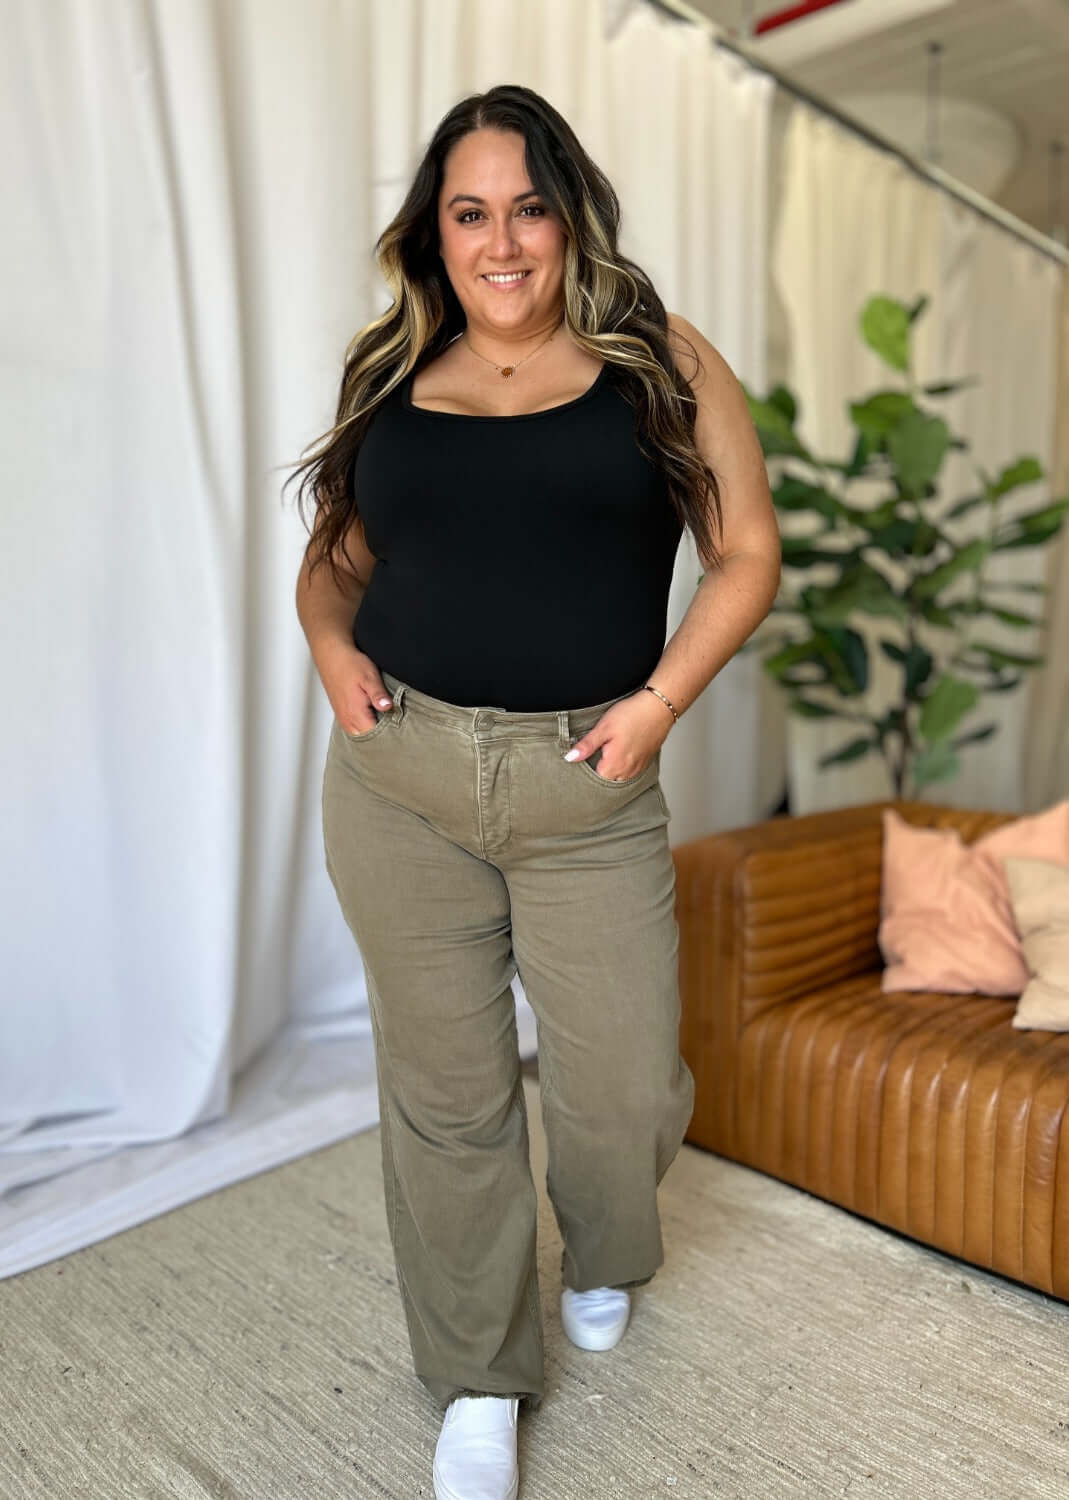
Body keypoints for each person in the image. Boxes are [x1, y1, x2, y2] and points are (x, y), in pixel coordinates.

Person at [288, 83, 780, 1500]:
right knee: (444, 1099)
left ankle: (609, 1247)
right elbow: (338, 556)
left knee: (619, 1087)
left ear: (568, 219)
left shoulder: (661, 361)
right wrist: (330, 650)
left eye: (526, 208)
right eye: (467, 212)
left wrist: (658, 704)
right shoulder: (387, 371)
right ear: (429, 235)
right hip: (399, 777)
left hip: (587, 781)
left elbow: (743, 550)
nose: (499, 242)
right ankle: (477, 1378)